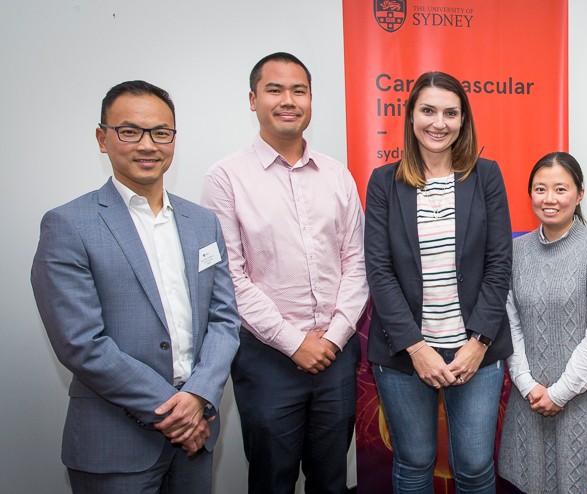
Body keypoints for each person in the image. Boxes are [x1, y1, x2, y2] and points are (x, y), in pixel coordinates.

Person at [30, 80, 241, 493]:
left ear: (173, 140)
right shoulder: (69, 224)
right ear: (102, 138)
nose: (148, 145)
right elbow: (81, 342)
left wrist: (198, 395)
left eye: (161, 133)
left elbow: (224, 318)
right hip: (115, 443)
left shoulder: (203, 222)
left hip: (197, 432)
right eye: (130, 131)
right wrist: (176, 412)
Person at [201, 52, 367, 494]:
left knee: (331, 480)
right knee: (272, 480)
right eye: (274, 90)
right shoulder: (225, 178)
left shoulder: (338, 176)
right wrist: (294, 343)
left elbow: (357, 263)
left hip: (335, 354)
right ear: (253, 99)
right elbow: (230, 277)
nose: (287, 100)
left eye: (299, 90)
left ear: (311, 100)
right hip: (267, 357)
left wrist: (331, 339)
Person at [364, 70, 512, 494]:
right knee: (413, 463)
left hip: (475, 353)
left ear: (464, 120)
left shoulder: (486, 176)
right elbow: (380, 270)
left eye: (451, 113)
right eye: (428, 110)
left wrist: (478, 342)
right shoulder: (384, 182)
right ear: (410, 116)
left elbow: (500, 263)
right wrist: (416, 348)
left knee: (475, 466)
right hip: (404, 352)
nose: (438, 123)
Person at [498, 152, 587, 493]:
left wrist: (560, 393)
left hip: (584, 398)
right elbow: (511, 326)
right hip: (532, 398)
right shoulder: (515, 252)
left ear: (580, 194)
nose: (549, 199)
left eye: (560, 189)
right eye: (540, 189)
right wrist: (528, 385)